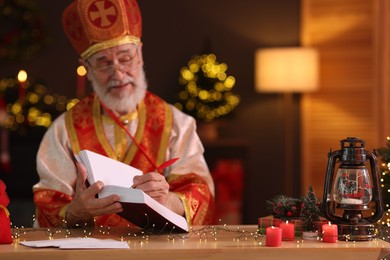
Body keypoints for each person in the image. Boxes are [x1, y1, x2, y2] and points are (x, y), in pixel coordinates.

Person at [33, 0, 215, 229]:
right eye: (103, 63)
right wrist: (75, 211)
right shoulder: (63, 130)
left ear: (139, 54)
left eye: (125, 58)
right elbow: (46, 203)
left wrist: (168, 201)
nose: (118, 73)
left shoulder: (178, 124)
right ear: (86, 68)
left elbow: (201, 191)